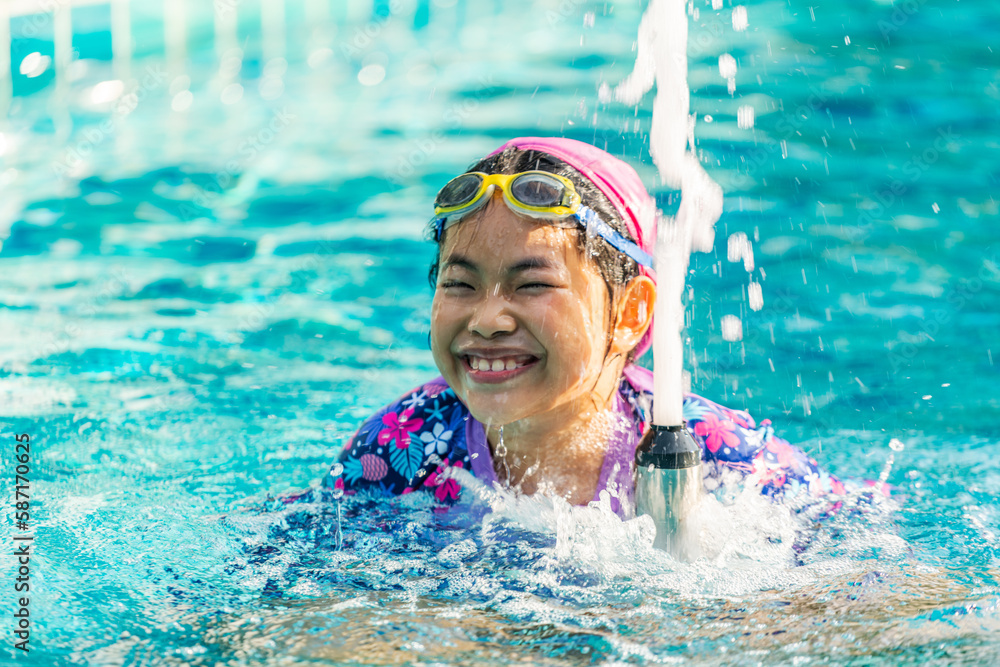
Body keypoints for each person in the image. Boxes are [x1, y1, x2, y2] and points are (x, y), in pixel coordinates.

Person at [322, 137, 846, 517]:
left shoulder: (708, 450)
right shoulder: (403, 446)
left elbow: (858, 546)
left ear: (631, 313)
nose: (487, 320)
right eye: (460, 284)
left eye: (532, 285)